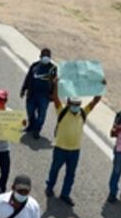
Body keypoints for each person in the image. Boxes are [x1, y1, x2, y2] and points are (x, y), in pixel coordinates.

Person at [45, 76, 105, 206]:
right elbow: (55, 98)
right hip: (60, 148)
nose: (76, 107)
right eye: (74, 105)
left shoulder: (83, 113)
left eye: (78, 105)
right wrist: (55, 84)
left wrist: (101, 87)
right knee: (54, 169)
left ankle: (65, 194)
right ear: (69, 104)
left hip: (75, 150)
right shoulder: (61, 111)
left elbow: (95, 101)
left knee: (70, 174)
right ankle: (49, 187)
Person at [20, 48, 58, 139]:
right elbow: (28, 78)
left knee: (41, 115)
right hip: (32, 94)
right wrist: (23, 89)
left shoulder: (53, 69)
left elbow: (56, 83)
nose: (45, 57)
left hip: (44, 96)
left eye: (47, 56)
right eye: (44, 55)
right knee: (30, 111)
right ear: (40, 56)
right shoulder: (34, 66)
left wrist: (53, 95)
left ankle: (37, 130)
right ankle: (31, 126)